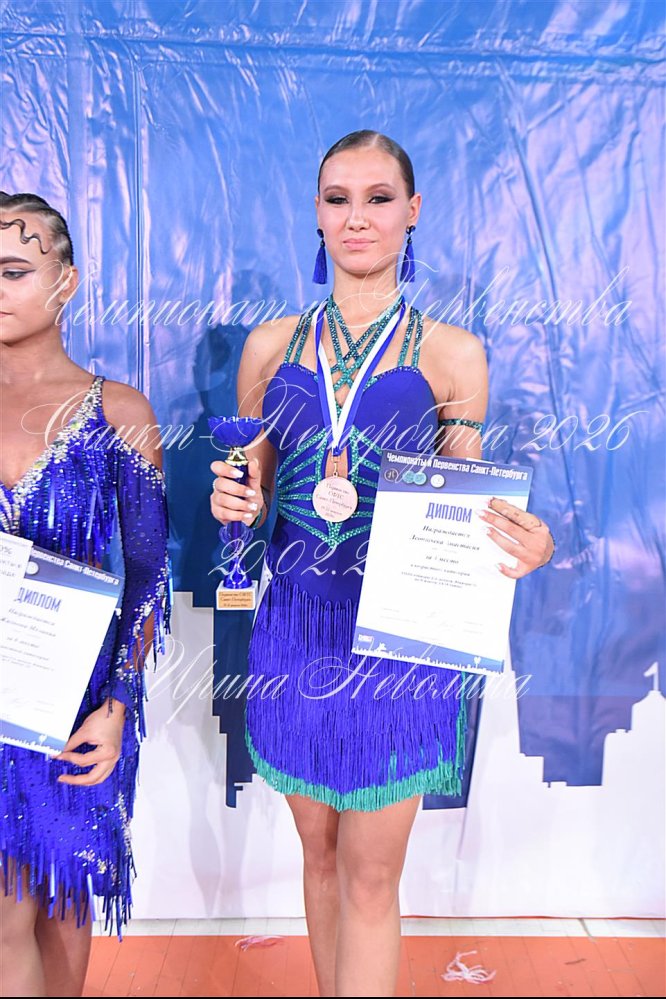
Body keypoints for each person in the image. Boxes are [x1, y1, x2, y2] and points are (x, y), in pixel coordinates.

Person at [209, 130, 555, 998]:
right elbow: (255, 482)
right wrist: (232, 499)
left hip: (399, 634)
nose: (356, 217)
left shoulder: (453, 352)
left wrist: (527, 541)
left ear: (412, 211)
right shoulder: (269, 345)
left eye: (377, 198)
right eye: (338, 199)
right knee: (320, 856)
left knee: (370, 871)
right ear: (317, 213)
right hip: (294, 627)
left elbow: (469, 501)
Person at [0, 193, 171, 997]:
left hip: (77, 703)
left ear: (65, 282)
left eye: (14, 270)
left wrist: (119, 703)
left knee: (64, 902)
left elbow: (147, 576)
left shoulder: (119, 413)